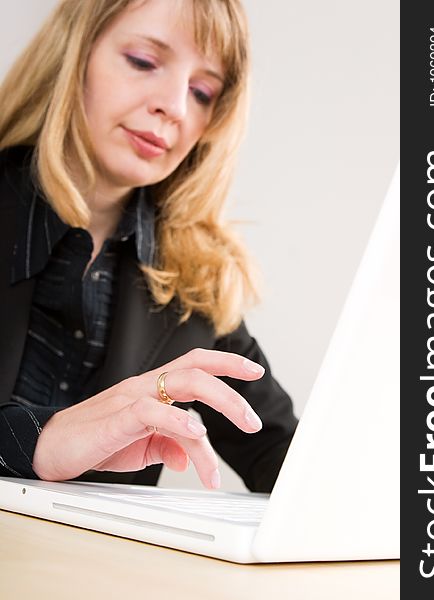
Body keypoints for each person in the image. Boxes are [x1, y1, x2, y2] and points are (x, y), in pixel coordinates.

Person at [0, 0, 297, 493]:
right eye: (143, 62)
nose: (176, 108)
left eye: (202, 92)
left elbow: (281, 453)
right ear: (72, 55)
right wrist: (40, 440)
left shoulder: (195, 281)